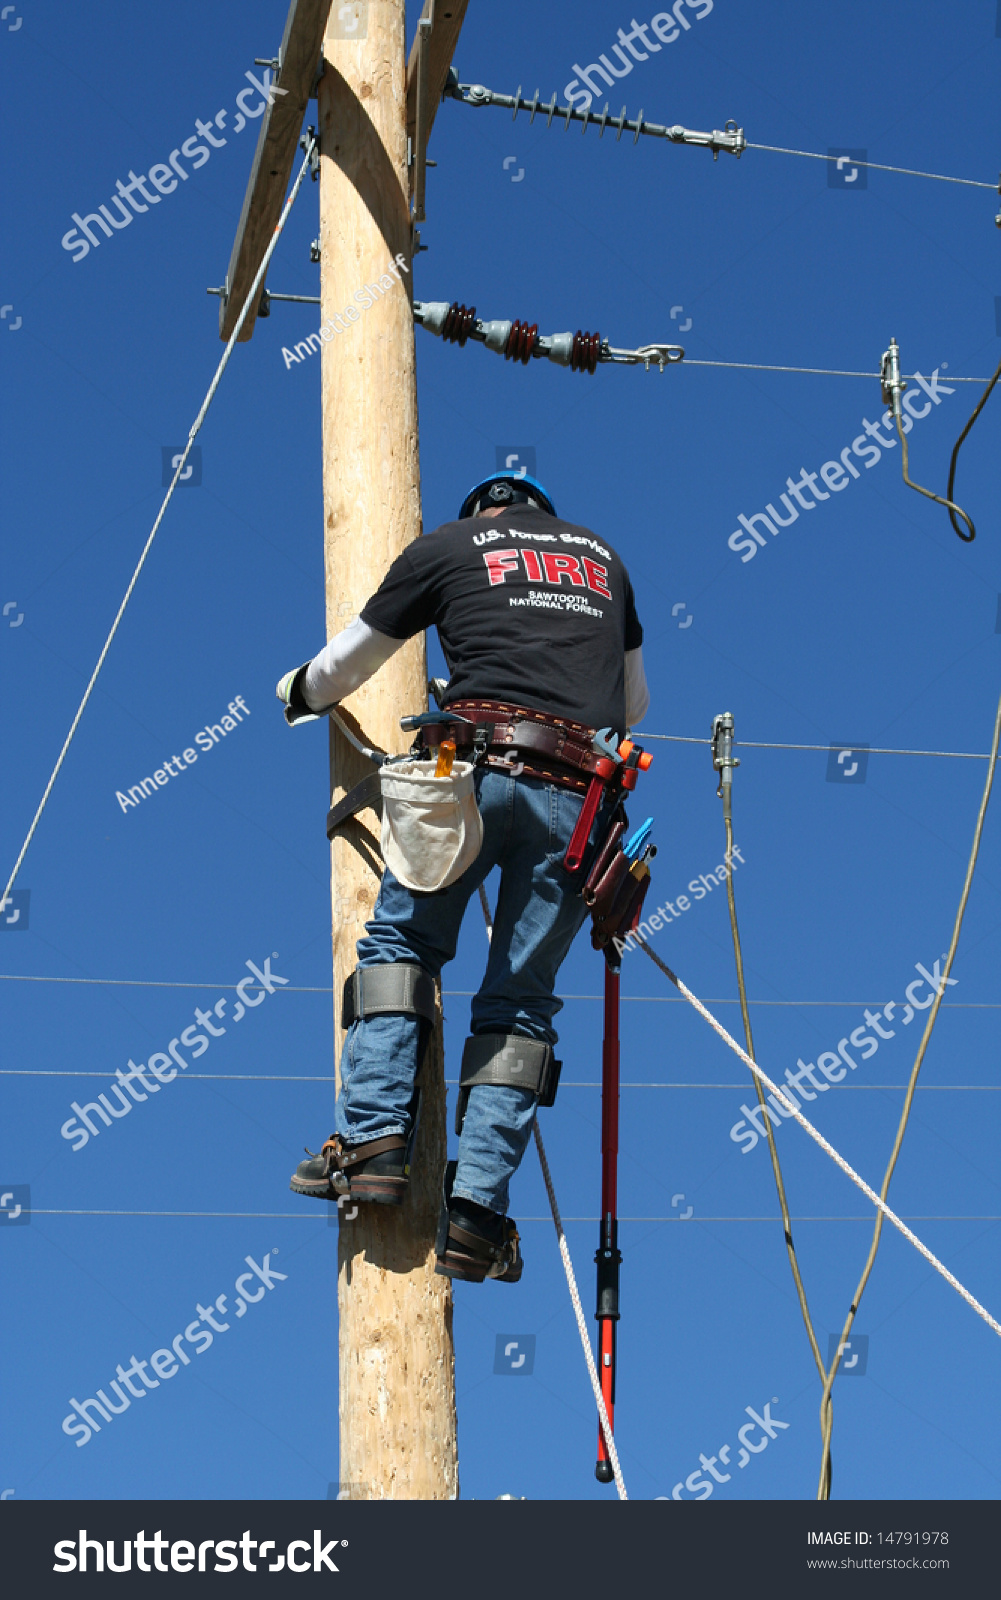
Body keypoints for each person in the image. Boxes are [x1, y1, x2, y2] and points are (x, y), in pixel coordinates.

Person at [276, 473, 649, 1283]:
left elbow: (345, 666)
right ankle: (476, 1215)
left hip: (470, 771)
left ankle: (374, 1143)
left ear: (482, 515)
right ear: (547, 517)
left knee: (402, 943)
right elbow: (635, 704)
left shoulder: (448, 547)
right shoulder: (605, 562)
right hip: (577, 798)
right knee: (521, 1001)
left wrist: (299, 692)